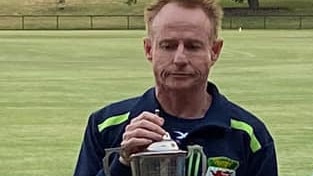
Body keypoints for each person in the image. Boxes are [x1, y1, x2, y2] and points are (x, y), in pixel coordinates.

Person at [74, 0, 278, 175]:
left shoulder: (249, 136)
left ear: (214, 51)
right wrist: (123, 163)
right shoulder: (106, 126)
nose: (180, 59)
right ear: (149, 49)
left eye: (193, 46)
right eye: (168, 46)